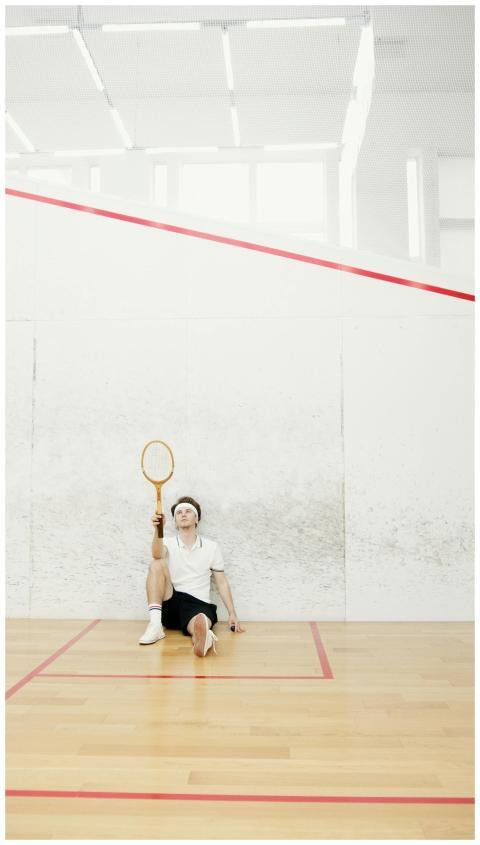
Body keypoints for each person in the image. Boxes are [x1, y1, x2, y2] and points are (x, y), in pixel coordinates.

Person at [138, 496, 245, 656]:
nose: (183, 514)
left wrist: (232, 613)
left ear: (197, 518)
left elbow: (221, 583)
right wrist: (157, 530)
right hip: (171, 602)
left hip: (199, 606)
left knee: (199, 624)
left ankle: (203, 639)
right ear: (175, 521)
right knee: (156, 563)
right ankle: (155, 626)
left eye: (188, 511)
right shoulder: (167, 542)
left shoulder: (212, 547)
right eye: (179, 512)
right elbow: (156, 553)